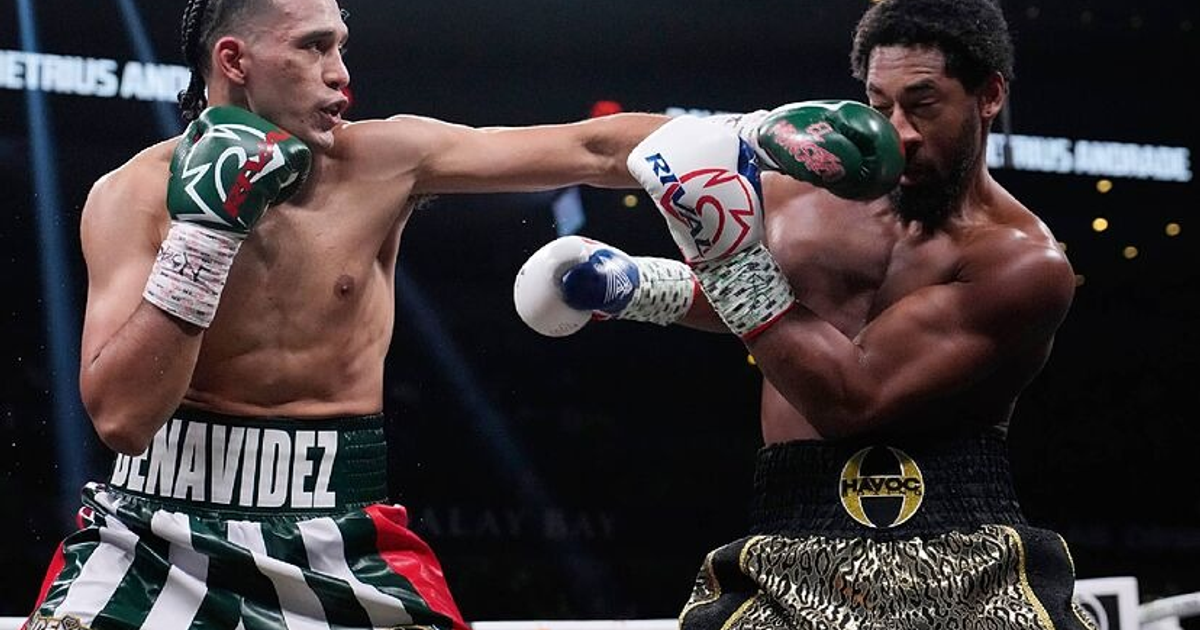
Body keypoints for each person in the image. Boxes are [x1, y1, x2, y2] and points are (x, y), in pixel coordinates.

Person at [18, 0, 690, 628]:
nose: (340, 72)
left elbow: (594, 148)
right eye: (314, 47)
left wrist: (737, 137)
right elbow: (122, 420)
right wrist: (205, 235)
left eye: (340, 46)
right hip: (152, 534)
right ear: (234, 61)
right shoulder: (133, 194)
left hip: (343, 536)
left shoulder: (384, 161)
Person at [514, 0, 1096, 627]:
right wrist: (635, 286)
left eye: (923, 104)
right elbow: (778, 304)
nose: (899, 131)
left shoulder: (1023, 262)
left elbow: (851, 395)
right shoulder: (801, 190)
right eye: (879, 105)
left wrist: (724, 250)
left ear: (989, 96)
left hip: (966, 552)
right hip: (786, 533)